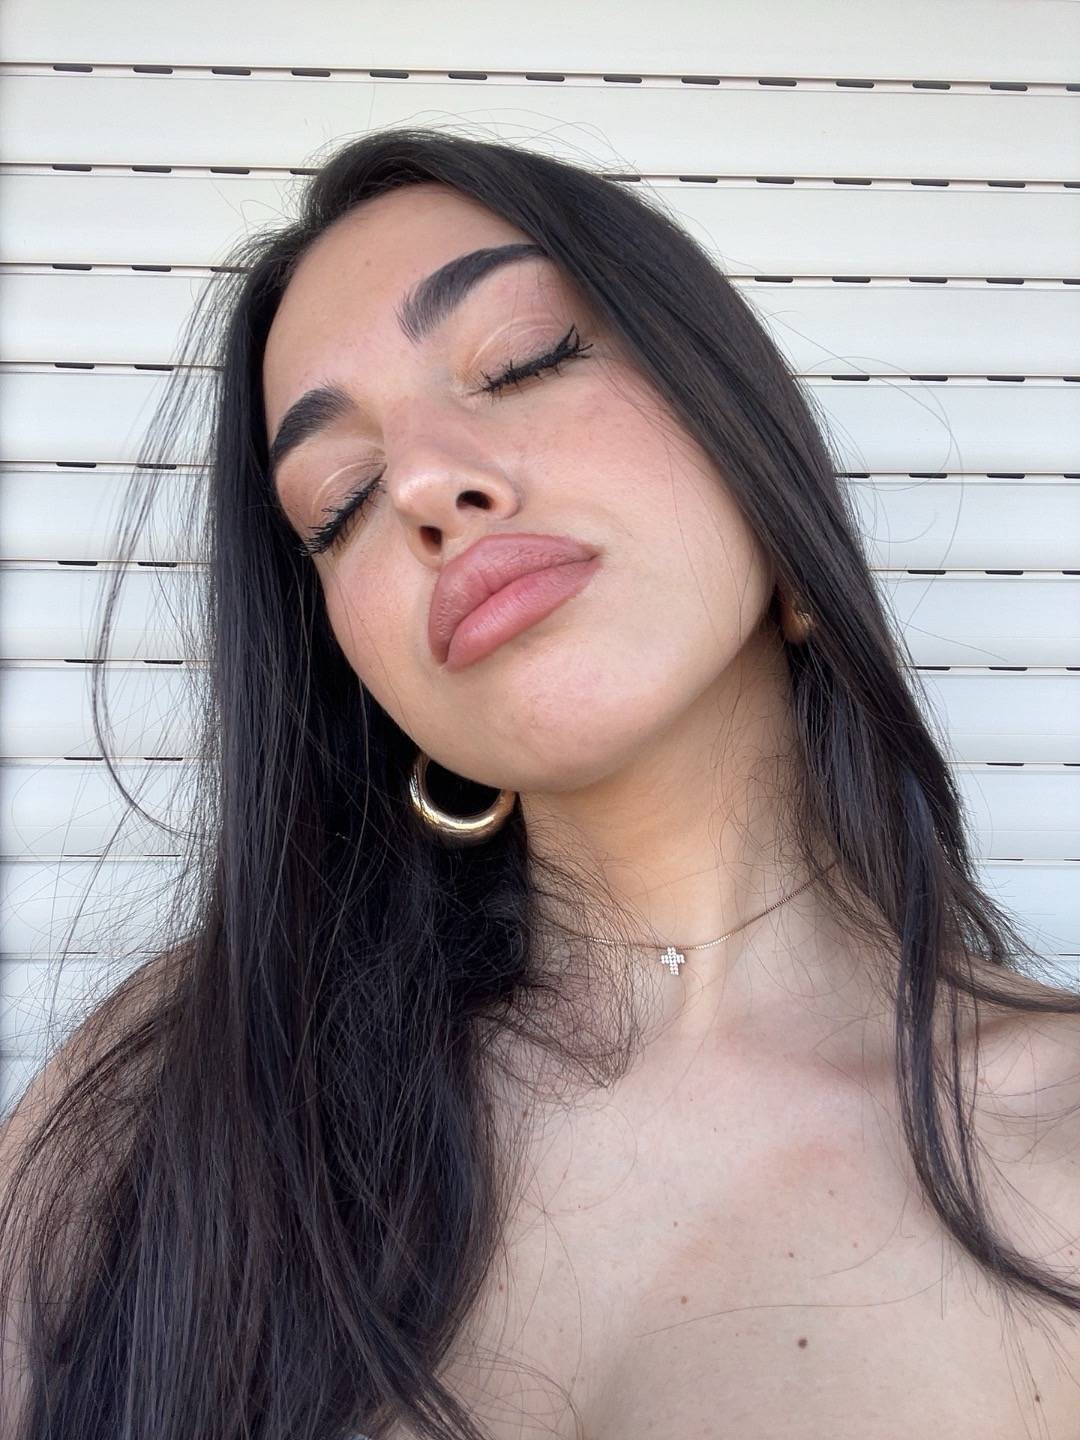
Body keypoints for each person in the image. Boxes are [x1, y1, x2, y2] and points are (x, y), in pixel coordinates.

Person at [3, 126, 1080, 1440]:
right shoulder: (179, 1092)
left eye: (522, 361)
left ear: (756, 452)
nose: (421, 483)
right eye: (339, 502)